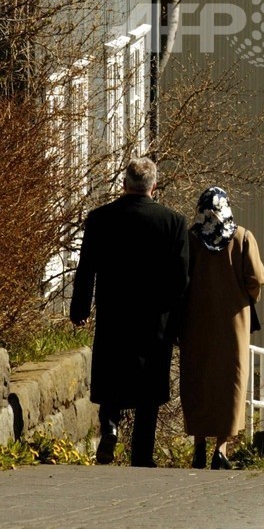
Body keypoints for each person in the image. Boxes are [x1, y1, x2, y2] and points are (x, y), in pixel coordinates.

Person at [70, 157, 189, 467]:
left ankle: (109, 424)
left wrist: (80, 307)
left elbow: (87, 269)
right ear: (154, 186)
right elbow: (181, 280)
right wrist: (178, 324)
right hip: (155, 319)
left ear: (124, 184)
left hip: (115, 312)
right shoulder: (173, 222)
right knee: (149, 389)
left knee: (112, 373)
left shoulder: (100, 219)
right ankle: (142, 455)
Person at [179, 186, 264, 470]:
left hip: (196, 324)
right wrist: (247, 296)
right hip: (233, 326)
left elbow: (181, 279)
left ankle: (198, 448)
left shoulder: (191, 240)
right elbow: (256, 278)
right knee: (230, 382)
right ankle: (221, 448)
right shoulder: (241, 238)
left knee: (198, 381)